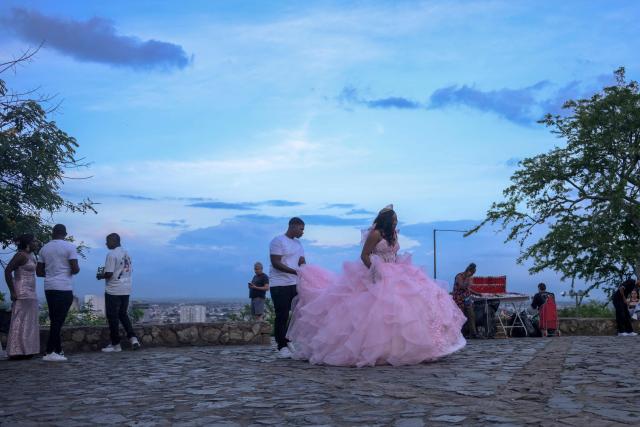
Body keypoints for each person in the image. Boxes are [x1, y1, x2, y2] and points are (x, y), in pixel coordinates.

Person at [287, 205, 466, 367]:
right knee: (377, 312)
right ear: (387, 221)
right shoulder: (375, 234)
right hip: (377, 271)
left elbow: (394, 254)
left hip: (397, 271)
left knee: (410, 307)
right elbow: (364, 255)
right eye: (394, 220)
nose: (396, 223)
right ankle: (381, 350)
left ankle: (416, 346)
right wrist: (374, 270)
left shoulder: (393, 234)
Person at [37, 224, 80, 362]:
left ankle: (56, 350)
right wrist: (66, 271)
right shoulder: (70, 247)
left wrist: (51, 273)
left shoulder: (44, 248)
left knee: (55, 319)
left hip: (49, 287)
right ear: (65, 234)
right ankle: (51, 351)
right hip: (64, 287)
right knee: (58, 320)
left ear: (52, 233)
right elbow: (75, 269)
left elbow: (39, 272)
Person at [96, 233, 140, 352]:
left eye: (107, 241)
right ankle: (133, 338)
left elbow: (109, 274)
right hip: (126, 288)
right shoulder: (127, 254)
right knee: (123, 314)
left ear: (113, 241)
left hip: (113, 289)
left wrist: (100, 275)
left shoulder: (111, 254)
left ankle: (116, 344)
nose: (106, 244)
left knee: (112, 317)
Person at [269, 217, 306, 358]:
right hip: (279, 284)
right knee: (282, 315)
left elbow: (302, 261)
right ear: (293, 226)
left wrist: (306, 271)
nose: (303, 232)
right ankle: (281, 346)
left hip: (295, 283)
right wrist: (294, 271)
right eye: (301, 229)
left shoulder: (298, 244)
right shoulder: (278, 241)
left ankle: (288, 338)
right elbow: (276, 262)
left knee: (298, 313)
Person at [3, 234, 40, 359]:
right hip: (21, 291)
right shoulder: (20, 255)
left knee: (29, 322)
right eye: (34, 241)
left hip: (31, 292)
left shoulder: (32, 256)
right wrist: (12, 291)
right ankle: (16, 350)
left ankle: (27, 349)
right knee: (19, 321)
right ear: (28, 243)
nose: (37, 243)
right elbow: (8, 271)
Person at [452, 263, 480, 339]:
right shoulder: (459, 276)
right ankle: (459, 334)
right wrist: (468, 278)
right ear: (469, 271)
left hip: (467, 299)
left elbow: (467, 289)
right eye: (472, 273)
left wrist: (476, 293)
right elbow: (463, 286)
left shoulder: (468, 277)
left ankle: (473, 333)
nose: (472, 275)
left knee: (471, 315)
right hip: (459, 299)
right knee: (461, 316)